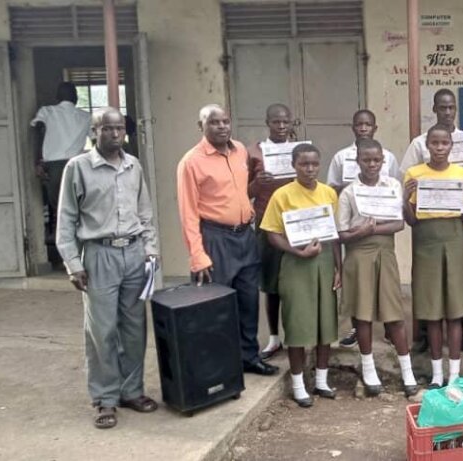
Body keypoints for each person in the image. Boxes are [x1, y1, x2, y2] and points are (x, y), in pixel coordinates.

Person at [56, 107, 158, 429]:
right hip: (99, 255)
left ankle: (132, 391)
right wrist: (73, 264)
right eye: (107, 128)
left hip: (134, 254)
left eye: (120, 128)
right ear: (94, 132)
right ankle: (105, 397)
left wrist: (150, 251)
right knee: (102, 331)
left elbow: (145, 213)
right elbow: (66, 220)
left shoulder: (133, 165)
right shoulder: (78, 167)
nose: (115, 134)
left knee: (134, 328)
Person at [177, 104, 279, 376]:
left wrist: (257, 187)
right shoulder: (191, 162)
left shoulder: (240, 151)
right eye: (214, 122)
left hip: (244, 235)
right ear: (201, 126)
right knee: (216, 306)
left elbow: (241, 193)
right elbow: (188, 213)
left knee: (248, 301)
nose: (222, 126)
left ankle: (249, 357)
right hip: (215, 238)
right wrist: (197, 255)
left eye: (225, 121)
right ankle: (219, 367)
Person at [336, 138, 419, 398]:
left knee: (394, 314)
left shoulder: (392, 186)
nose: (372, 164)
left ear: (383, 161)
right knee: (362, 315)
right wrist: (360, 232)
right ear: (357, 161)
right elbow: (341, 234)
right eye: (366, 160)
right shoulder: (349, 192)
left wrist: (372, 229)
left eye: (376, 160)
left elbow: (398, 224)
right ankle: (369, 370)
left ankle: (407, 372)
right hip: (358, 254)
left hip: (385, 252)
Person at [259, 143, 341, 406]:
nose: (310, 169)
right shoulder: (282, 195)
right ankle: (298, 385)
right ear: (293, 165)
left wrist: (338, 268)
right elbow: (272, 234)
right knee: (297, 324)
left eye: (314, 164)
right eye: (304, 164)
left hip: (324, 262)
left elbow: (335, 235)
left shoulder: (329, 193)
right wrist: (297, 251)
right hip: (296, 263)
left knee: (325, 323)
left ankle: (321, 381)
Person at [403, 124, 463, 388]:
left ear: (451, 146)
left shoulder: (461, 174)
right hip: (426, 242)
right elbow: (411, 220)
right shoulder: (414, 174)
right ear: (427, 146)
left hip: (455, 240)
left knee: (455, 311)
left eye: (444, 143)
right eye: (434, 143)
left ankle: (454, 374)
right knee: (432, 311)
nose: (439, 148)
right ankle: (437, 374)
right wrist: (405, 198)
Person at [246, 103, 295, 360]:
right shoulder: (254, 152)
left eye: (286, 121)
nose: (281, 126)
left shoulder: (298, 150)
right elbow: (243, 193)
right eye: (276, 122)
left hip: (296, 222)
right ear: (267, 123)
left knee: (295, 283)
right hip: (267, 223)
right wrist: (257, 183)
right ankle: (274, 338)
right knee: (271, 283)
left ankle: (295, 337)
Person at [33, 82, 91, 248]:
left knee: (59, 208)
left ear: (57, 97)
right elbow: (96, 139)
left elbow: (37, 130)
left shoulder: (47, 111)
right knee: (79, 208)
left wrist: (38, 160)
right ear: (76, 98)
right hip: (77, 166)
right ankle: (79, 245)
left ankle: (65, 247)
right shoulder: (85, 116)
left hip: (54, 166)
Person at [327, 109, 401, 193]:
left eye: (368, 125)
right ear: (353, 128)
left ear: (375, 128)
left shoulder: (388, 157)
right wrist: (351, 188)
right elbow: (331, 190)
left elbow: (397, 188)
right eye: (359, 125)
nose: (363, 129)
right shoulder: (341, 157)